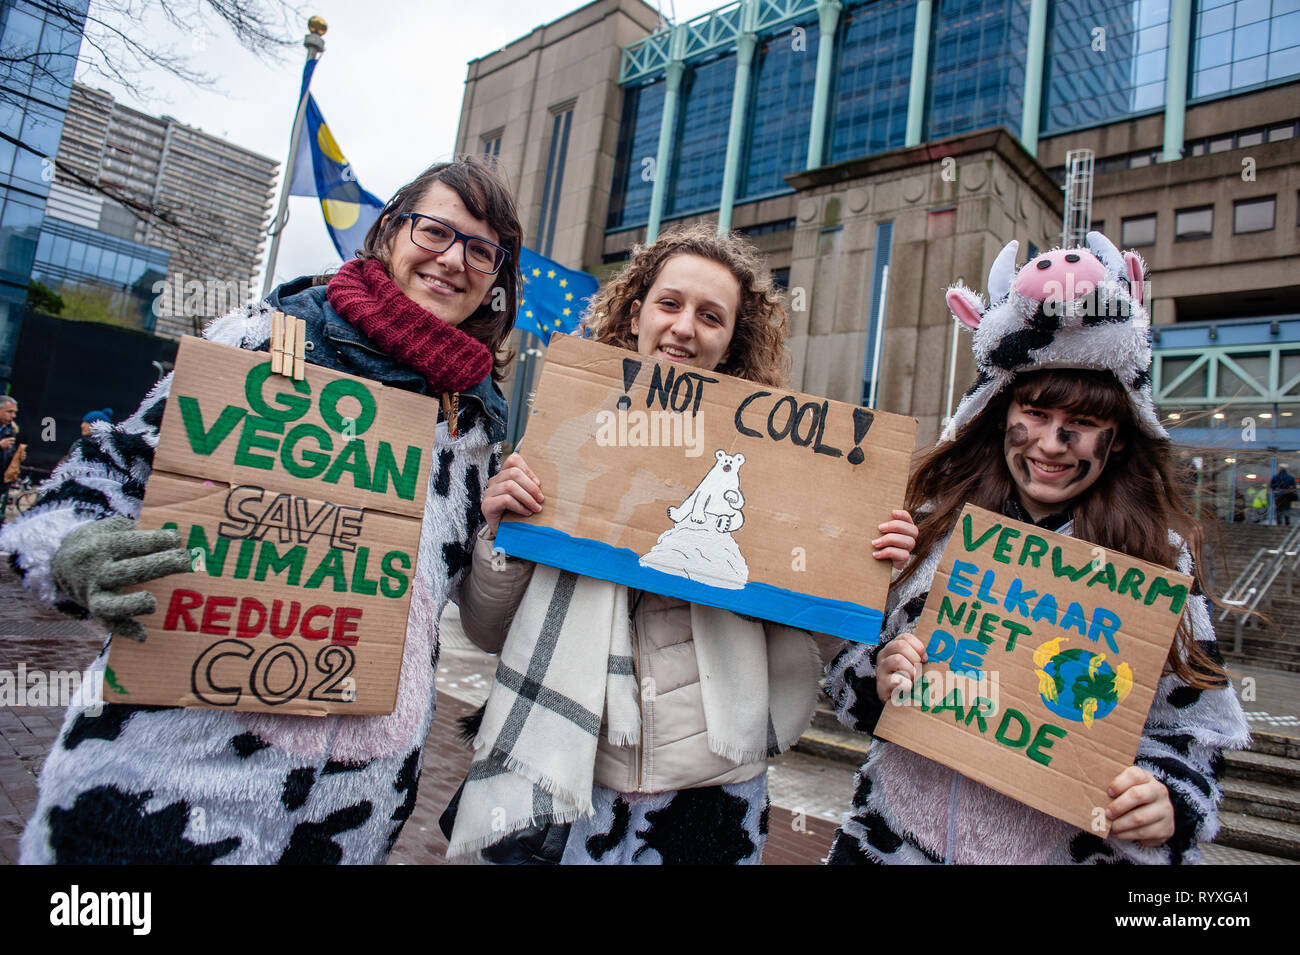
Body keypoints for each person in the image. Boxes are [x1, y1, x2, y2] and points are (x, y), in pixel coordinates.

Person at [1, 157, 521, 864]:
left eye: (481, 249)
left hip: (346, 814)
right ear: (390, 232)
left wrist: (503, 537)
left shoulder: (477, 427)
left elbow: (464, 607)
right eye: (435, 231)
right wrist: (73, 550)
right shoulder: (267, 339)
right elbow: (108, 471)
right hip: (156, 785)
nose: (453, 259)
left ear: (496, 280)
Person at [445, 225, 916, 864]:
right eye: (670, 304)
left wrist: (862, 562)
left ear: (730, 342)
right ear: (636, 313)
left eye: (710, 316)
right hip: (565, 781)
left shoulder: (777, 470)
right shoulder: (566, 439)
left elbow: (819, 636)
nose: (685, 328)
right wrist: (501, 537)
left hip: (712, 797)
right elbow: (485, 627)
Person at [825, 232, 1250, 865]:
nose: (1052, 444)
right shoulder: (928, 528)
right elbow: (844, 678)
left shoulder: (1158, 564)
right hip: (889, 848)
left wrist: (1165, 799)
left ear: (1120, 438)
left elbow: (1188, 734)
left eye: (1079, 425)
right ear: (1002, 415)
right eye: (1036, 414)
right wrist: (880, 674)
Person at [0, 396, 19, 515]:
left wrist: (16, 458)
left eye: (15, 412)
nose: (13, 416)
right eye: (9, 411)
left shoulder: (9, 431)